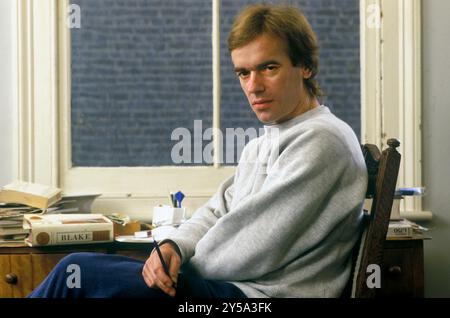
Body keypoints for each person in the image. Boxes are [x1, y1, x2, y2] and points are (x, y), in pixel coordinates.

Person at [28, 4, 367, 298]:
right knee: (79, 273)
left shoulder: (321, 141)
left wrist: (174, 267)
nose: (254, 86)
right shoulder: (266, 141)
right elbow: (217, 211)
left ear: (305, 66)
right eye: (243, 73)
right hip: (233, 287)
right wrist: (173, 246)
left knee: (76, 276)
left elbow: (251, 247)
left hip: (254, 296)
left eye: (269, 68)